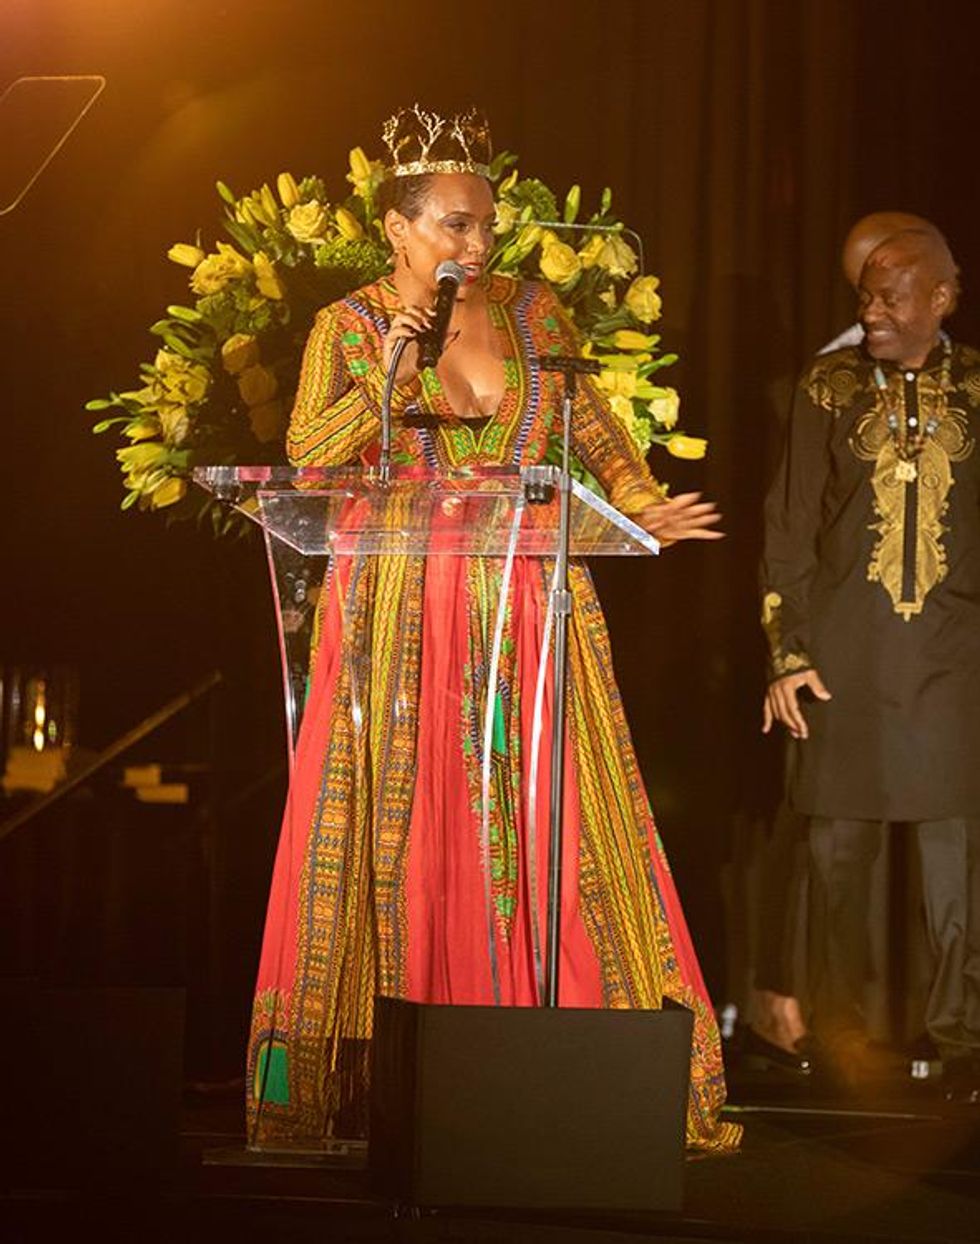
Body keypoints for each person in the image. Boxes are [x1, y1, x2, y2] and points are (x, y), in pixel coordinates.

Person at [245, 107, 740, 1151]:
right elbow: (308, 455)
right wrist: (391, 371)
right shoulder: (349, 324)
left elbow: (585, 415)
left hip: (524, 594)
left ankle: (555, 1058)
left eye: (486, 225)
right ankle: (390, 1071)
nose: (478, 246)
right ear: (398, 227)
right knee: (407, 822)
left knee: (541, 814)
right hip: (395, 609)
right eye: (457, 227)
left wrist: (636, 494)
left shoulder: (532, 307)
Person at [762, 225, 980, 1102]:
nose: (872, 311)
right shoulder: (829, 385)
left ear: (942, 298)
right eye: (865, 295)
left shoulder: (976, 384)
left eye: (893, 296)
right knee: (835, 853)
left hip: (956, 657)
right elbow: (788, 528)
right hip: (842, 655)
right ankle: (837, 1037)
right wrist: (787, 652)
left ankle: (963, 1043)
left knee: (955, 858)